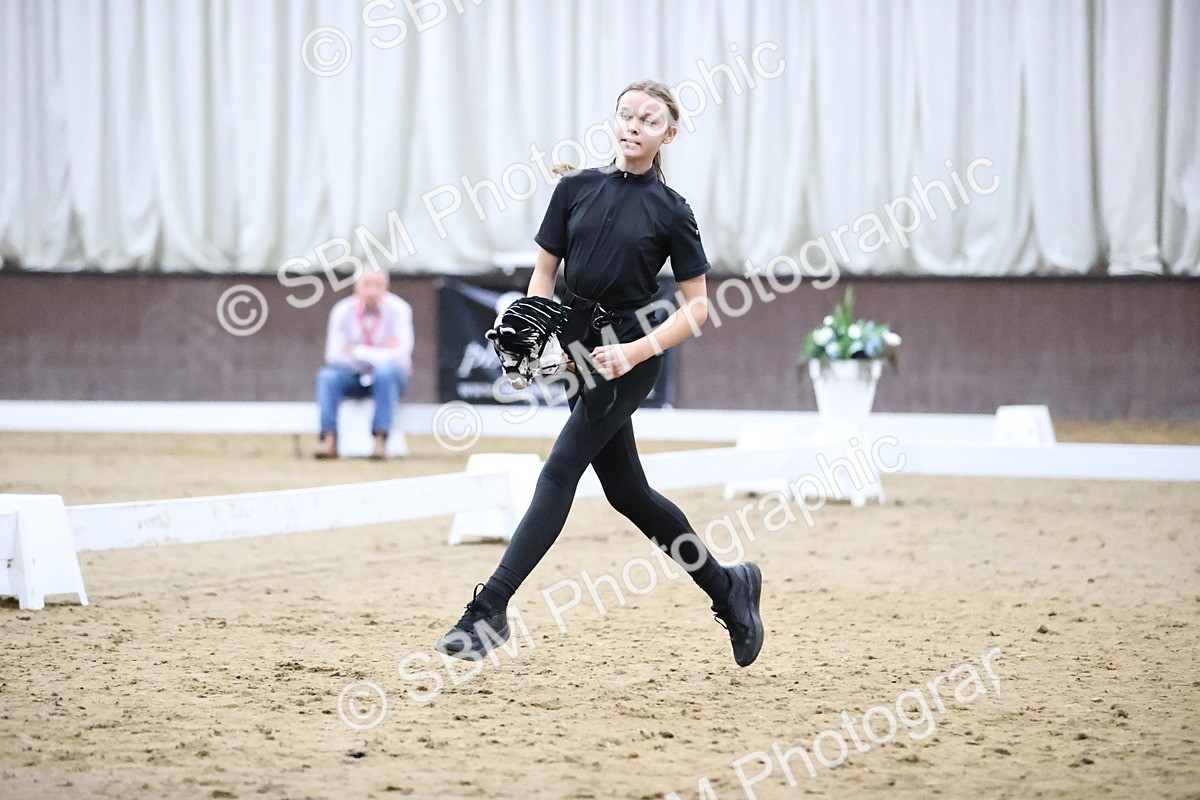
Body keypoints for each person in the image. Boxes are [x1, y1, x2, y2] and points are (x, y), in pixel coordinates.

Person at [435, 80, 764, 667]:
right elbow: (544, 275)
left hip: (629, 355)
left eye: (649, 118)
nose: (634, 124)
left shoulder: (672, 210)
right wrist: (535, 330)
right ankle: (728, 588)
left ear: (669, 132)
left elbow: (697, 308)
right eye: (625, 115)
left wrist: (636, 352)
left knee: (560, 470)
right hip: (578, 350)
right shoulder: (575, 188)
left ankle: (490, 608)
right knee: (628, 492)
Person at [316, 270, 414, 459]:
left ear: (386, 288)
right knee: (327, 376)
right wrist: (382, 353)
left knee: (384, 373)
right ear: (356, 288)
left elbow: (401, 355)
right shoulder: (342, 311)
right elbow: (334, 355)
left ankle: (380, 442)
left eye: (378, 285)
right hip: (352, 374)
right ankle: (329, 441)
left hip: (390, 377)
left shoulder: (400, 310)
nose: (372, 291)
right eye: (366, 285)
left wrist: (358, 351)